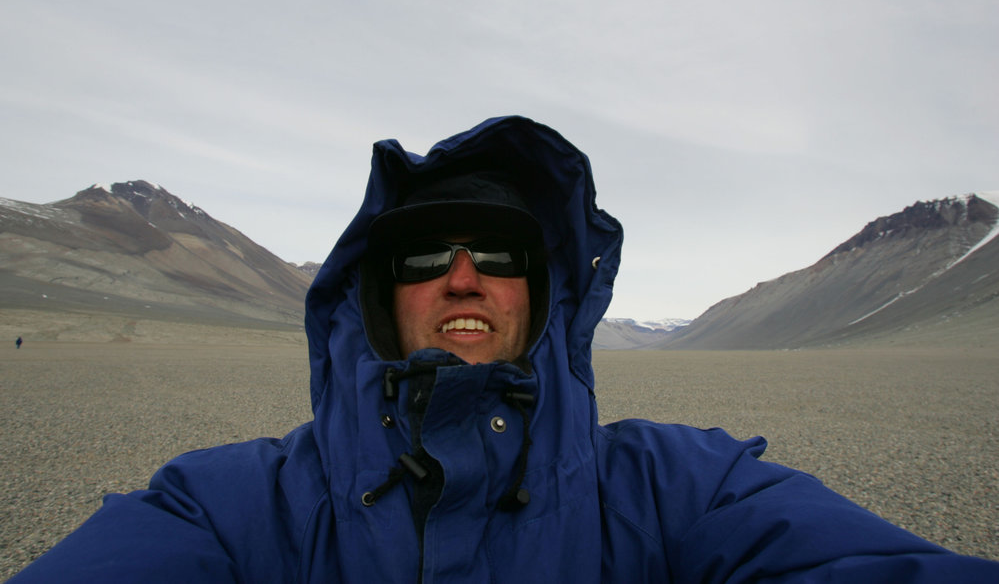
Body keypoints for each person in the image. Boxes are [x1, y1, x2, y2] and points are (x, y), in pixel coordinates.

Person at [12, 116, 998, 582]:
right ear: (374, 297)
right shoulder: (234, 508)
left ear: (545, 295)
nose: (462, 277)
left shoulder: (678, 490)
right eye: (423, 256)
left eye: (497, 253)